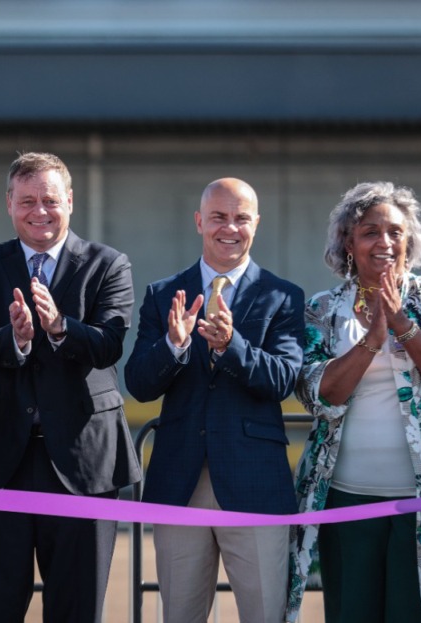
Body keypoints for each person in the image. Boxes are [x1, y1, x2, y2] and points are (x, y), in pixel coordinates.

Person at [287, 181, 421, 623]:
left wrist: (401, 325)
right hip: (346, 500)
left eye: (396, 232)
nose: (385, 242)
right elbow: (318, 394)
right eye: (370, 232)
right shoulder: (322, 310)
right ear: (348, 243)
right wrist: (371, 343)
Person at [0, 152, 141, 622]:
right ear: (9, 204)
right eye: (27, 201)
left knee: (77, 608)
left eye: (51, 200)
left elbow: (109, 345)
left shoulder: (108, 264)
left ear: (71, 201)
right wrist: (16, 338)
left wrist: (59, 327)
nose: (40, 211)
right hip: (4, 460)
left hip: (85, 464)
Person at [124, 177, 305, 623]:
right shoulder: (163, 293)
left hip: (256, 486)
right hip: (179, 483)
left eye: (241, 218)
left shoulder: (283, 296)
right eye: (219, 217)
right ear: (199, 221)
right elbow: (139, 384)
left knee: (266, 615)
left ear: (256, 224)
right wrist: (174, 347)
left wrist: (230, 347)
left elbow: (283, 379)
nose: (230, 228)